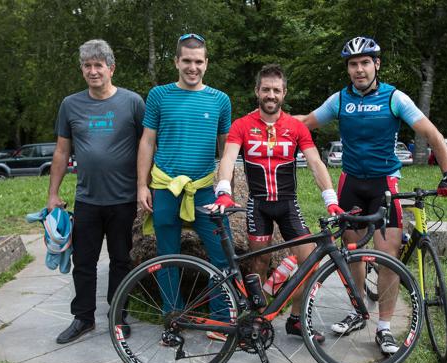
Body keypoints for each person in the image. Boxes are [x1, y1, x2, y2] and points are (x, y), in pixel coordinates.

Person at [296, 36, 447, 354]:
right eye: (353, 64)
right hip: (351, 184)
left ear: (376, 64)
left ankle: (383, 328)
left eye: (365, 63)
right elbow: (306, 123)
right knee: (352, 252)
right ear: (348, 68)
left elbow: (432, 134)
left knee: (388, 258)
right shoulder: (340, 100)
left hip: (385, 185)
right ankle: (359, 311)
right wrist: (268, 125)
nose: (359, 69)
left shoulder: (394, 98)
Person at [208, 64, 342, 344]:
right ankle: (256, 322)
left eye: (276, 90)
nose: (271, 95)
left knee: (310, 261)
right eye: (266, 89)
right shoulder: (242, 125)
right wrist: (223, 191)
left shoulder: (295, 126)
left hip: (288, 205)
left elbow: (316, 163)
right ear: (257, 91)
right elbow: (229, 159)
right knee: (259, 263)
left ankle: (295, 319)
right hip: (259, 206)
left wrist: (330, 199)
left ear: (284, 93)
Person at [48, 39, 145, 344]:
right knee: (84, 262)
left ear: (111, 68)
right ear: (82, 70)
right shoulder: (70, 104)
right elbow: (62, 152)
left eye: (98, 65)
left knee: (120, 260)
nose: (92, 71)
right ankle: (83, 319)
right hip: (87, 199)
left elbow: (147, 146)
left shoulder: (132, 102)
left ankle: (117, 316)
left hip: (124, 199)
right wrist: (53, 194)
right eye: (87, 66)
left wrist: (147, 187)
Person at [136, 33, 233, 340]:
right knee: (167, 256)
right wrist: (142, 185)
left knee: (222, 253)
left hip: (204, 188)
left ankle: (219, 320)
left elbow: (226, 148)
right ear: (176, 61)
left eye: (199, 61)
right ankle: (173, 320)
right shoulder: (158, 95)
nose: (193, 67)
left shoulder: (220, 100)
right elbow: (147, 141)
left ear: (207, 63)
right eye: (187, 61)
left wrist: (226, 187)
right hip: (165, 187)